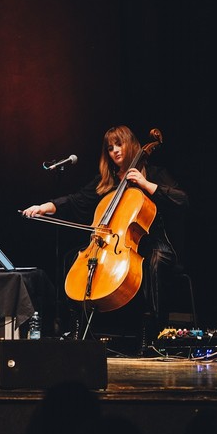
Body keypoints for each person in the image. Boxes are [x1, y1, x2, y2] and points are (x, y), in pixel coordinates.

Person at [21, 125, 189, 348]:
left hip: (152, 242)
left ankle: (152, 333)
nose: (115, 151)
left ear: (131, 144)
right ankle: (78, 328)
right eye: (110, 148)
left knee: (155, 262)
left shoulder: (155, 173)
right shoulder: (107, 180)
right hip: (117, 245)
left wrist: (145, 184)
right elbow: (76, 200)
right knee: (73, 259)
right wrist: (44, 207)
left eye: (119, 144)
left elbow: (182, 200)